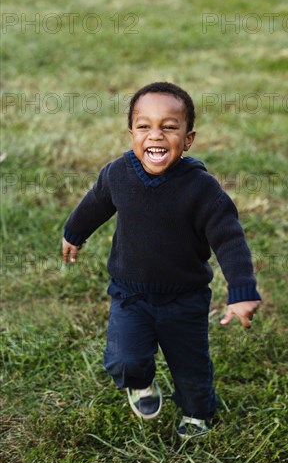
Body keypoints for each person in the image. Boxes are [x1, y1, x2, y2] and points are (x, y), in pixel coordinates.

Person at [62, 82, 261, 438]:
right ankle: (140, 383)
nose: (156, 135)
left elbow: (230, 239)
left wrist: (242, 290)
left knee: (191, 367)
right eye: (144, 126)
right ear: (131, 134)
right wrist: (74, 233)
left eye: (169, 127)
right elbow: (95, 204)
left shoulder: (202, 190)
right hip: (129, 294)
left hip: (184, 299)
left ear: (188, 139)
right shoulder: (118, 174)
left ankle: (197, 412)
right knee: (124, 359)